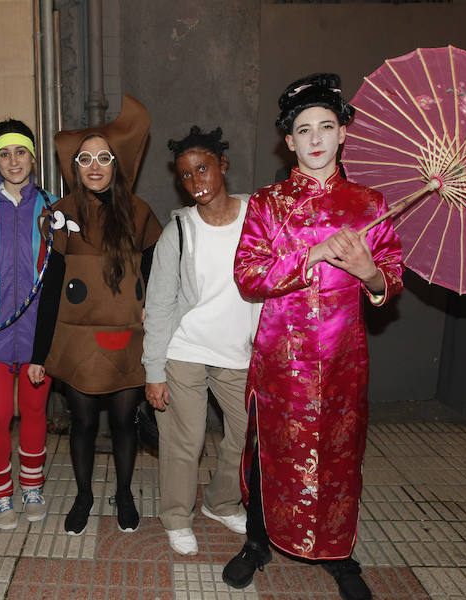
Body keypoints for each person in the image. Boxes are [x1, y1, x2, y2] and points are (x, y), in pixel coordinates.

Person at [223, 74, 403, 600]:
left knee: (340, 456)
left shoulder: (372, 204)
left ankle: (339, 553)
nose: (317, 138)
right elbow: (248, 277)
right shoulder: (268, 203)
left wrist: (370, 271)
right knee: (267, 452)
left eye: (327, 126)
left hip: (344, 358)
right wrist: (312, 255)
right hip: (280, 360)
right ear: (289, 141)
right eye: (305, 130)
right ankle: (257, 543)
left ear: (344, 133)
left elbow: (391, 281)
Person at [28, 95, 162, 535]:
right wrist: (38, 352)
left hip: (128, 337)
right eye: (85, 158)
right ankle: (84, 495)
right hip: (78, 338)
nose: (94, 165)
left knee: (124, 421)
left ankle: (123, 494)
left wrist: (158, 326)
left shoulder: (140, 213)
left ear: (116, 162)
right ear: (76, 167)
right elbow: (50, 286)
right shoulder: (61, 215)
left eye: (104, 156)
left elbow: (159, 278)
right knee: (83, 422)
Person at [142, 126, 260, 555]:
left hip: (238, 353)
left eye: (203, 169)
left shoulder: (258, 217)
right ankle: (176, 515)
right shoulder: (178, 232)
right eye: (186, 175)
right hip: (186, 349)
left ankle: (220, 501)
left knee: (248, 432)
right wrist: (154, 372)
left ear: (223, 166)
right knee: (184, 440)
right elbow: (157, 306)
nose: (196, 182)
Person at [0, 120, 57, 530]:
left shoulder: (55, 209)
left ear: (32, 156)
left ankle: (33, 486)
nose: (12, 161)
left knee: (37, 412)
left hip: (40, 337)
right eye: (4, 154)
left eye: (20, 151)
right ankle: (0, 493)